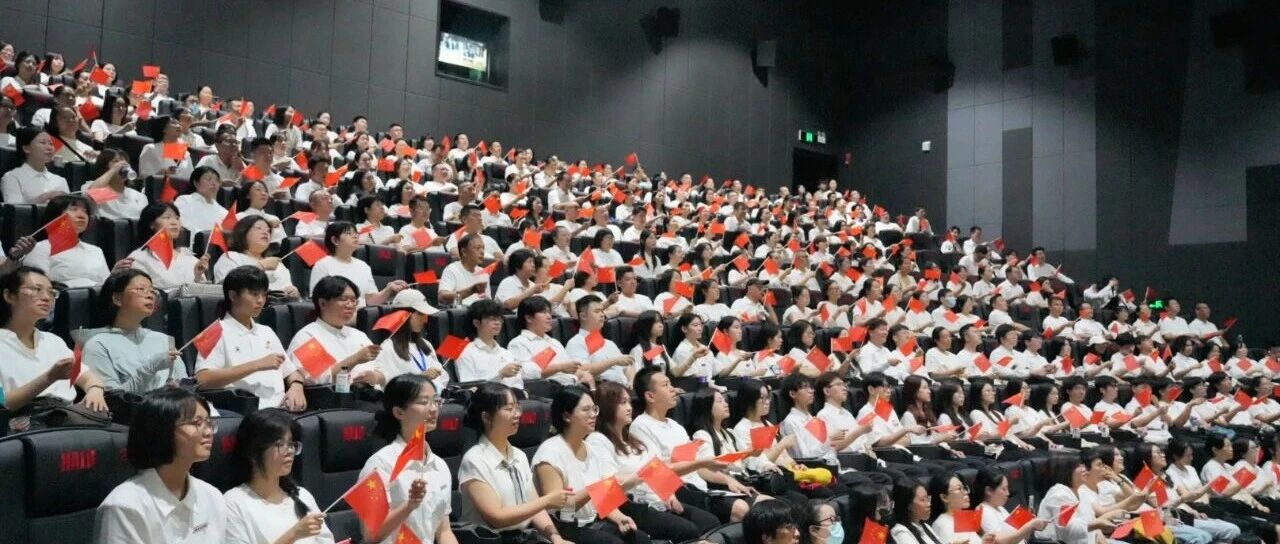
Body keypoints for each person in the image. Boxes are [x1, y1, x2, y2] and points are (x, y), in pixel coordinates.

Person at [94, 388, 227, 543]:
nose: (208, 432)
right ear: (162, 430)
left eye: (209, 423)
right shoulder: (125, 506)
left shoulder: (211, 495)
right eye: (197, 423)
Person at [630, 366, 753, 523]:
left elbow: (698, 467)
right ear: (650, 396)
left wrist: (728, 480)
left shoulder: (675, 425)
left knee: (756, 503)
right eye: (666, 385)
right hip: (676, 490)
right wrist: (701, 463)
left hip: (698, 487)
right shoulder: (640, 426)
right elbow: (657, 472)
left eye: (671, 384)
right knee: (739, 510)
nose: (673, 389)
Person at [533, 386, 651, 544]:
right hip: (564, 528)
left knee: (640, 539)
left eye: (594, 409)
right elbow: (560, 506)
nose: (593, 415)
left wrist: (618, 517)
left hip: (594, 521)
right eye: (585, 410)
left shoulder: (591, 449)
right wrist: (594, 489)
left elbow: (602, 497)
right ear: (567, 416)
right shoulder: (549, 453)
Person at [457, 382, 573, 543]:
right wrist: (547, 500)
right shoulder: (474, 460)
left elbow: (534, 507)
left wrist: (556, 538)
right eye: (509, 409)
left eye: (517, 407)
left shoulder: (519, 455)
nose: (517, 414)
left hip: (523, 537)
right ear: (486, 417)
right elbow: (497, 518)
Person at [0, 265, 110, 416]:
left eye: (51, 292)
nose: (47, 298)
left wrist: (95, 389)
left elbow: (87, 376)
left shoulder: (53, 341)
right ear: (9, 296)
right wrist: (49, 377)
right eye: (36, 289)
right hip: (19, 421)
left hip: (65, 415)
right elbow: (2, 402)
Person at [195, 265, 307, 411]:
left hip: (282, 409)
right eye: (254, 294)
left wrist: (297, 386)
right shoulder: (212, 332)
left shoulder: (267, 331)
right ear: (233, 296)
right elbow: (202, 379)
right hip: (245, 412)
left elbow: (291, 372)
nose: (261, 300)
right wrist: (257, 365)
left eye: (264, 294)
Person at [224, 409, 334, 544]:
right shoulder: (233, 502)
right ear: (253, 451)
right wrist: (294, 534)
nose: (290, 451)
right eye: (280, 444)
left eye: (291, 444)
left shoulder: (302, 495)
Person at [360, 374, 444, 544]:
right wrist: (409, 505)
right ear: (399, 412)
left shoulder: (440, 465)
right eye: (424, 402)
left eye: (436, 401)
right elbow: (370, 535)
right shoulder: (379, 464)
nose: (434, 409)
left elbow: (444, 532)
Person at [81, 269, 185, 394]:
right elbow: (112, 398)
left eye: (152, 291)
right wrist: (149, 369)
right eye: (141, 289)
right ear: (117, 299)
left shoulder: (164, 340)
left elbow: (185, 384)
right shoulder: (97, 345)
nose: (150, 295)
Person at [287, 276, 380, 385]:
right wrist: (355, 359)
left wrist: (376, 377)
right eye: (344, 299)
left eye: (353, 300)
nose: (350, 305)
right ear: (322, 303)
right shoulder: (307, 336)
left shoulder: (359, 335)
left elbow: (380, 369)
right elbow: (321, 380)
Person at [358, 289, 446, 391]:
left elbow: (443, 377)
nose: (425, 320)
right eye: (420, 314)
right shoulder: (388, 349)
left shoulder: (426, 344)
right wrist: (420, 380)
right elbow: (389, 386)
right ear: (403, 315)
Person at [24, 193, 118, 288]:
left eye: (85, 211)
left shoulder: (96, 250)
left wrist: (114, 275)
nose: (82, 216)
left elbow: (106, 288)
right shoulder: (40, 248)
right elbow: (38, 287)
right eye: (74, 209)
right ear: (56, 215)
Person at [309, 222, 408, 308]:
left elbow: (371, 300)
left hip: (362, 316)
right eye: (348, 233)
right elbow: (318, 302)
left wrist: (388, 289)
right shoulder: (322, 265)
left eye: (355, 233)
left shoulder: (363, 266)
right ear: (335, 240)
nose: (355, 236)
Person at [507, 295, 588, 386]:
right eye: (543, 312)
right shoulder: (518, 343)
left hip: (571, 385)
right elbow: (527, 374)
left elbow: (569, 368)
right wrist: (559, 367)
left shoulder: (554, 342)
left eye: (549, 312)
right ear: (529, 318)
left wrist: (583, 374)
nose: (549, 316)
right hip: (547, 389)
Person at [212, 215, 300, 299]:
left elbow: (288, 289)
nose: (265, 232)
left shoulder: (278, 265)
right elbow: (225, 288)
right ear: (243, 232)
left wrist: (294, 292)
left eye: (268, 230)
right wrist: (260, 267)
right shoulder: (231, 257)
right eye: (259, 228)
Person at [129, 203, 210, 293]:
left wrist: (197, 278)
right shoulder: (138, 258)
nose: (174, 222)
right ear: (151, 224)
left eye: (177, 218)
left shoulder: (191, 260)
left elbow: (205, 295)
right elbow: (141, 294)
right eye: (167, 217)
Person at [455, 299, 526, 388]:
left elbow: (518, 383)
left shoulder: (506, 353)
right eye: (492, 319)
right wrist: (500, 375)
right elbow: (469, 386)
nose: (497, 323)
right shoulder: (464, 351)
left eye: (500, 319)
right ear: (476, 323)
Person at [565, 295, 634, 386]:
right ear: (583, 316)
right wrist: (614, 361)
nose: (602, 315)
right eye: (597, 311)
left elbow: (627, 366)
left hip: (624, 387)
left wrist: (631, 381)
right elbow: (580, 371)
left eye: (602, 311)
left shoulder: (609, 343)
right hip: (602, 388)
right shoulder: (576, 342)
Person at [971, 467, 1048, 543]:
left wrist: (1028, 525)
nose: (1008, 493)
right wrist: (1029, 525)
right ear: (988, 490)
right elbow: (999, 541)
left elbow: (1022, 540)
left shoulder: (1001, 508)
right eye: (1004, 489)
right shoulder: (982, 510)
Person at [439, 233, 492, 308]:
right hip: (461, 312)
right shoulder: (452, 269)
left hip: (480, 311)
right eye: (477, 248)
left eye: (483, 248)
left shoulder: (484, 272)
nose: (482, 252)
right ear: (464, 252)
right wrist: (471, 290)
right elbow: (442, 297)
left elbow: (487, 299)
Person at [174, 166, 229, 235]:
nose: (214, 183)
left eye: (217, 180)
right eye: (209, 179)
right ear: (196, 183)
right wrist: (204, 236)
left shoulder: (224, 211)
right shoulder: (184, 201)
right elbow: (182, 225)